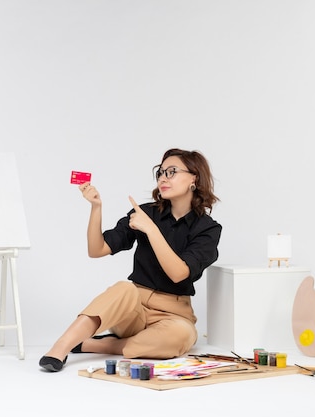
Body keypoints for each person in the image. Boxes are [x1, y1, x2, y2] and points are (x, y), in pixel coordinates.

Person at [39, 148, 222, 372]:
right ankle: (61, 347)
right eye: (160, 172)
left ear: (194, 178)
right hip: (132, 309)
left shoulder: (208, 229)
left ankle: (99, 344)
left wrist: (151, 230)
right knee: (123, 289)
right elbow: (96, 250)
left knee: (182, 336)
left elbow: (179, 273)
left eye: (171, 172)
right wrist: (96, 207)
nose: (163, 178)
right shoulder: (145, 212)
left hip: (173, 314)